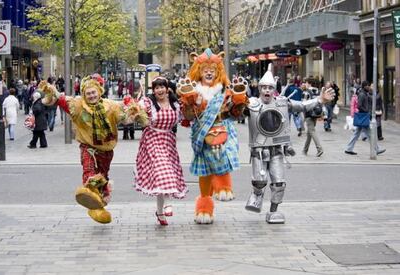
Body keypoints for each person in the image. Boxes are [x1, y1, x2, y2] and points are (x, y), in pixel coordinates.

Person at [41, 76, 146, 224]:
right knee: (89, 172)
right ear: (84, 94)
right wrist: (52, 91)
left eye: (93, 92)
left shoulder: (111, 105)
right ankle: (89, 192)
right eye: (88, 93)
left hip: (106, 150)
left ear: (99, 91)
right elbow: (62, 99)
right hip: (88, 147)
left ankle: (98, 208)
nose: (91, 96)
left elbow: (125, 116)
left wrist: (133, 110)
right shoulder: (78, 105)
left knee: (102, 178)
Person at [245, 64, 334, 224]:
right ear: (259, 89)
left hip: (277, 149)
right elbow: (235, 110)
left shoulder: (282, 103)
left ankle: (273, 211)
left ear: (274, 89)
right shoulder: (251, 104)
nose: (266, 91)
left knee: (279, 182)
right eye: (264, 87)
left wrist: (320, 99)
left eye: (270, 88)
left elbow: (303, 105)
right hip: (259, 149)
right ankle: (256, 195)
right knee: (260, 180)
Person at [176, 48, 248, 224]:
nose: (208, 71)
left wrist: (239, 99)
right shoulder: (193, 90)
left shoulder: (225, 90)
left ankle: (223, 184)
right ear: (198, 70)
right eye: (204, 68)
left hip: (223, 130)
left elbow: (236, 114)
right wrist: (189, 101)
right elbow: (188, 117)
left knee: (223, 155)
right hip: (202, 134)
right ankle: (204, 206)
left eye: (212, 68)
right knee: (205, 171)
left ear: (218, 71)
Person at [134, 76, 187, 226]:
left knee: (162, 177)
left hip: (168, 140)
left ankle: (160, 212)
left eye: (162, 87)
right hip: (152, 138)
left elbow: (187, 116)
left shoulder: (175, 103)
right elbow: (136, 112)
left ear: (167, 88)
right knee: (162, 170)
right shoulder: (148, 102)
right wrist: (136, 110)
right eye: (156, 88)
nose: (159, 90)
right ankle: (168, 204)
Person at [345, 81, 385, 155]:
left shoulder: (364, 94)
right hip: (363, 116)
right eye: (368, 86)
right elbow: (359, 106)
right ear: (364, 86)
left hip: (363, 117)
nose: (369, 87)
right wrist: (366, 111)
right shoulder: (362, 94)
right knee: (370, 134)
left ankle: (349, 148)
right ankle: (377, 149)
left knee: (357, 133)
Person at [302, 82, 324, 157]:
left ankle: (319, 149)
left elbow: (304, 104)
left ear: (308, 84)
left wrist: (304, 116)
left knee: (312, 132)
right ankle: (305, 150)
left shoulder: (306, 92)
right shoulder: (316, 92)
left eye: (305, 83)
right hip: (315, 114)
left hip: (309, 114)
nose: (304, 84)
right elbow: (320, 102)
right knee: (309, 133)